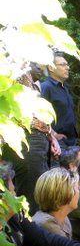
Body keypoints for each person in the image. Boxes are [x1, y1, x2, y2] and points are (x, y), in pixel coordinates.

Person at [2, 68, 61, 214]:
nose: (44, 67)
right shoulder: (9, 66)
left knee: (43, 193)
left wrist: (51, 136)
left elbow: (38, 115)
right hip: (23, 141)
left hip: (40, 141)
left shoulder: (30, 77)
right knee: (32, 197)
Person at [41, 51, 77, 148]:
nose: (67, 67)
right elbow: (41, 115)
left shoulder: (65, 88)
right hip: (56, 143)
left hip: (71, 140)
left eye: (67, 64)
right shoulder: (46, 87)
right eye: (63, 65)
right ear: (51, 67)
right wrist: (54, 135)